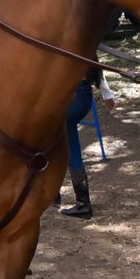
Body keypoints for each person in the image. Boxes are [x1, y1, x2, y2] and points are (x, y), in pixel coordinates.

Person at [57, 72, 117, 218]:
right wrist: (106, 93)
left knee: (71, 152)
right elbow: (94, 60)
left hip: (71, 95)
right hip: (84, 95)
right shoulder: (82, 49)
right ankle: (56, 194)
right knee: (57, 143)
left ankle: (83, 203)